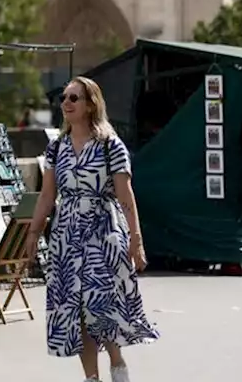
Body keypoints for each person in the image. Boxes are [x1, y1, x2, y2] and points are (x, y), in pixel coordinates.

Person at [24, 77, 158, 382]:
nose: (66, 103)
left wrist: (135, 240)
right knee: (77, 310)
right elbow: (47, 195)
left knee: (102, 305)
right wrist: (33, 232)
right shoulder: (56, 147)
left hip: (104, 229)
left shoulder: (111, 144)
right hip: (66, 234)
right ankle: (91, 378)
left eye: (74, 98)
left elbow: (125, 195)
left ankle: (116, 362)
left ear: (90, 105)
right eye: (64, 98)